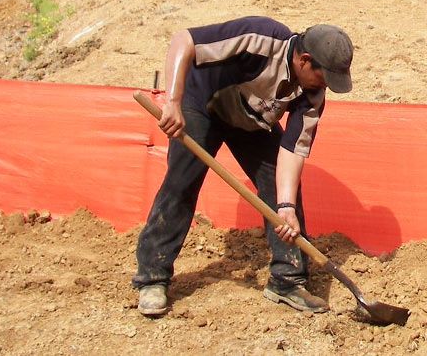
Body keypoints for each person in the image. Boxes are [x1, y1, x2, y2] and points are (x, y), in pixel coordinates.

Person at [132, 16, 354, 317]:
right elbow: (183, 40)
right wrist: (173, 101)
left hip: (250, 120)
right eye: (324, 76)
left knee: (282, 191)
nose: (325, 85)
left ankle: (287, 280)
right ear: (304, 60)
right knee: (182, 183)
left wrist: (285, 206)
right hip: (203, 105)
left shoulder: (312, 94)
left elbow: (293, 149)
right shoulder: (260, 38)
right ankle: (152, 277)